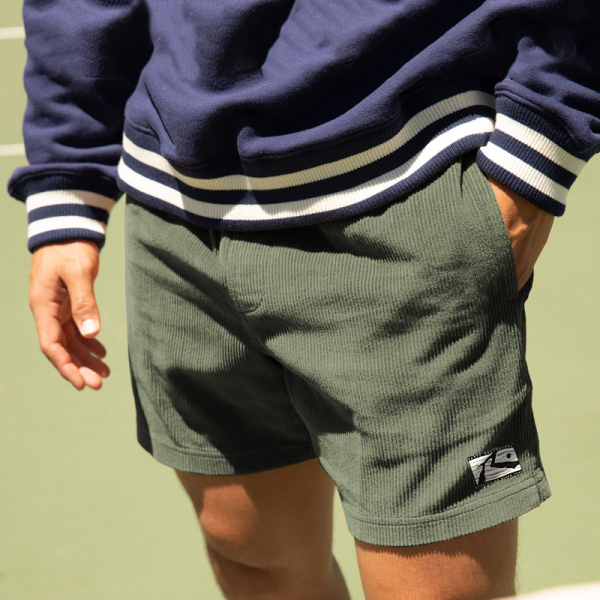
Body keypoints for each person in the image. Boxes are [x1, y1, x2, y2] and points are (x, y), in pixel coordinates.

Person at [8, 1, 600, 598]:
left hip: (402, 188)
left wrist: (539, 150)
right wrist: (68, 178)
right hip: (177, 210)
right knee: (254, 561)